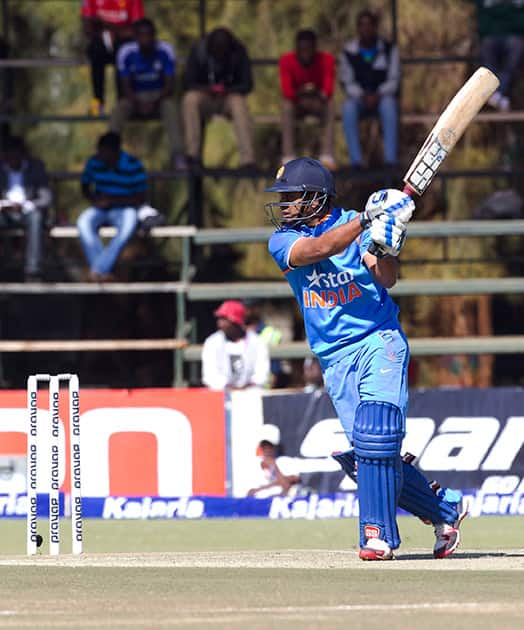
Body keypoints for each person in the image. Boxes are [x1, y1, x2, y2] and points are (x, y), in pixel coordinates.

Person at [265, 157, 468, 561]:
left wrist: (386, 243)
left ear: (316, 198)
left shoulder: (363, 222)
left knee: (377, 436)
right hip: (333, 356)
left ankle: (376, 537)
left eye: (290, 197)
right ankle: (445, 508)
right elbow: (320, 249)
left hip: (378, 339)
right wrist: (366, 222)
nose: (283, 205)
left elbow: (386, 276)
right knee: (369, 458)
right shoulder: (282, 242)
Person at [111, 18, 186, 169]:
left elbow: (169, 85)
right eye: (141, 35)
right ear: (136, 37)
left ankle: (178, 154)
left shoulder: (165, 50)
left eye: (149, 35)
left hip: (159, 96)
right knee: (119, 108)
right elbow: (125, 87)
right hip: (135, 96)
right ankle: (110, 153)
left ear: (154, 36)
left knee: (171, 107)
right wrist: (138, 102)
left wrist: (154, 102)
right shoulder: (126, 52)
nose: (145, 39)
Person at [182, 27, 255, 170]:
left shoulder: (238, 51)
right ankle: (193, 156)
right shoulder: (198, 51)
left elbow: (247, 85)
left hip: (229, 96)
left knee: (239, 103)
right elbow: (188, 82)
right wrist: (207, 89)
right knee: (189, 100)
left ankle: (248, 159)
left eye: (223, 51)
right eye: (217, 51)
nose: (220, 55)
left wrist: (227, 90)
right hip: (205, 96)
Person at [77, 132, 146, 281]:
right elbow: (84, 186)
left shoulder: (132, 164)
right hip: (100, 208)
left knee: (129, 224)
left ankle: (98, 269)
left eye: (105, 152)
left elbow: (141, 197)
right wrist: (95, 200)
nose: (101, 155)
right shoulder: (94, 162)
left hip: (125, 208)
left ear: (116, 151)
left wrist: (113, 201)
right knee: (83, 222)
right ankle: (102, 270)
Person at [339, 9, 400, 169]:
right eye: (362, 25)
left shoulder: (389, 49)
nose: (366, 29)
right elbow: (346, 81)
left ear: (375, 27)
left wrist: (378, 94)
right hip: (359, 98)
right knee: (347, 108)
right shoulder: (348, 52)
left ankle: (390, 160)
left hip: (383, 97)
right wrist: (362, 95)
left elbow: (394, 79)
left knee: (389, 106)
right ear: (357, 28)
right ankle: (356, 161)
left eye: (369, 25)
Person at [279, 29, 336, 170]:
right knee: (286, 106)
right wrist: (301, 92)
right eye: (302, 49)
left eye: (308, 49)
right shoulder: (286, 61)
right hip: (297, 101)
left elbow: (328, 90)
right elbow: (287, 91)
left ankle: (327, 155)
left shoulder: (326, 60)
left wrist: (315, 92)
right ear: (296, 48)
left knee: (330, 106)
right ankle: (288, 156)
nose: (305, 53)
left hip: (317, 100)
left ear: (314, 48)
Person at [0, 136, 52, 280]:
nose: (13, 158)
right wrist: (4, 205)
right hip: (4, 212)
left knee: (36, 218)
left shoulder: (36, 167)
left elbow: (46, 197)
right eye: (9, 155)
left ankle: (32, 269)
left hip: (28, 210)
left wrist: (26, 205)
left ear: (23, 155)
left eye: (16, 154)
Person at [81, 0, 144, 116]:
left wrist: (106, 26)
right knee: (96, 51)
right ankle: (97, 103)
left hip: (123, 44)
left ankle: (122, 103)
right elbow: (87, 27)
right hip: (100, 42)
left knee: (123, 54)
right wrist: (107, 34)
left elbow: (138, 30)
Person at [201, 300, 270, 390]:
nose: (220, 324)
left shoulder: (257, 342)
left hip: (251, 394)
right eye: (220, 319)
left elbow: (262, 373)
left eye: (225, 320)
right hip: (221, 394)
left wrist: (248, 386)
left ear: (237, 322)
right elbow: (210, 375)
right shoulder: (212, 342)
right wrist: (228, 387)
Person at [470, 0, 524, 112]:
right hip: (489, 36)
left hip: (514, 36)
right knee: (488, 68)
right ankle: (499, 95)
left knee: (511, 67)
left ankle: (497, 95)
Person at [246, 424, 300, 498]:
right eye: (264, 445)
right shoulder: (254, 464)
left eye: (270, 446)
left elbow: (286, 486)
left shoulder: (286, 462)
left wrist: (274, 465)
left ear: (275, 446)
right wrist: (271, 486)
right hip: (261, 504)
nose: (267, 449)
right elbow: (250, 492)